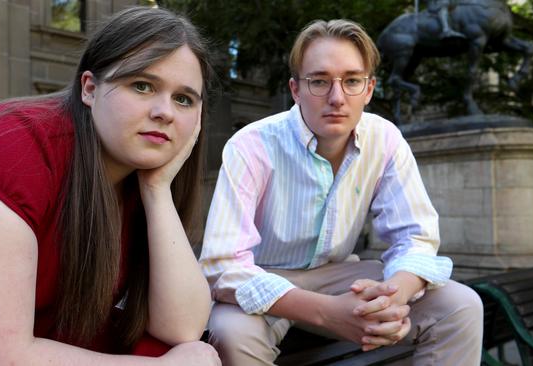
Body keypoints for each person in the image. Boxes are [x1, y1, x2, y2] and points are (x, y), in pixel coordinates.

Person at [0, 6, 220, 366]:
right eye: (142, 85)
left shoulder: (142, 172)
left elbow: (181, 327)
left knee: (188, 351)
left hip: (49, 334)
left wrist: (157, 190)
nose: (165, 111)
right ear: (89, 88)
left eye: (184, 99)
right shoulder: (8, 149)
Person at [200, 18, 483, 366]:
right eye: (319, 81)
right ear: (295, 89)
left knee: (461, 306)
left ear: (369, 88)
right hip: (265, 278)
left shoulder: (386, 139)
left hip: (341, 276)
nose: (337, 98)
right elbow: (222, 264)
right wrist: (327, 313)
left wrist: (392, 298)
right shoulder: (251, 145)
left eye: (351, 81)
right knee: (230, 335)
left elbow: (416, 237)